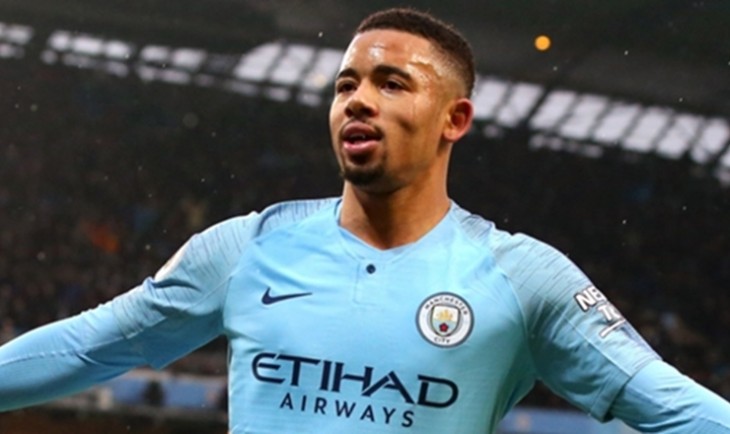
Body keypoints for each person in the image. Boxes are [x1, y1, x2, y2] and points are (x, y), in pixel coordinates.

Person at [1, 7, 729, 434]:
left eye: (392, 83)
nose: (358, 99)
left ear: (455, 119)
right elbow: (89, 346)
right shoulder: (246, 249)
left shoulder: (523, 278)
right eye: (346, 83)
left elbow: (670, 407)